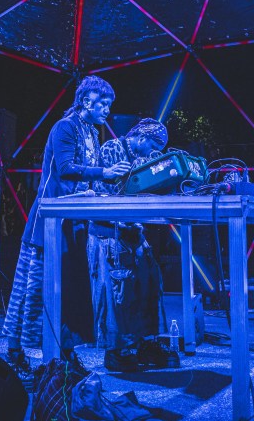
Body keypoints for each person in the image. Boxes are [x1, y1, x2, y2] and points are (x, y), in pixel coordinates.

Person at [2, 76, 131, 371]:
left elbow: (88, 176)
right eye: (103, 103)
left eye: (109, 104)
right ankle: (16, 349)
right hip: (48, 220)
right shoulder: (65, 127)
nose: (107, 110)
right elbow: (65, 168)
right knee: (33, 287)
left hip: (72, 222)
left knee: (70, 290)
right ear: (85, 101)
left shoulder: (91, 132)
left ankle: (66, 352)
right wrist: (104, 173)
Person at [89, 118, 176, 372]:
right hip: (109, 231)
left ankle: (146, 341)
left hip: (131, 231)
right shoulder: (112, 149)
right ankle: (117, 349)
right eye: (152, 146)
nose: (153, 152)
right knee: (120, 292)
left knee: (151, 279)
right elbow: (113, 190)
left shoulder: (142, 158)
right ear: (140, 137)